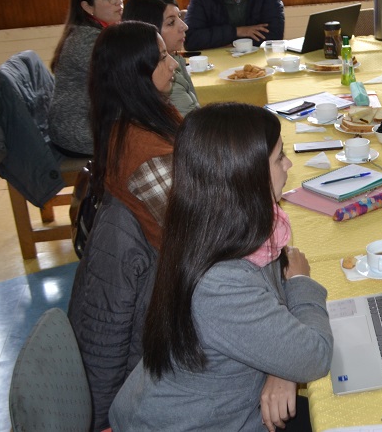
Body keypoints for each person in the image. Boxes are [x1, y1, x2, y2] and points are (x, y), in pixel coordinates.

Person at [110, 103, 334, 432]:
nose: (288, 165)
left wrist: (280, 365)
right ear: (247, 177)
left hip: (223, 399)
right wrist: (301, 282)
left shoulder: (215, 226)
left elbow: (268, 308)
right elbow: (315, 356)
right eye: (279, 158)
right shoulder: (221, 283)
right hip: (194, 423)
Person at [68, 21, 181, 430]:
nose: (174, 63)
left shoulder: (133, 120)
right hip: (173, 305)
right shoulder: (144, 154)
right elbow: (203, 236)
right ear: (136, 74)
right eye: (162, 57)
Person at [48, 0, 125, 157]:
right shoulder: (86, 41)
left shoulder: (102, 32)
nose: (118, 0)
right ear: (88, 7)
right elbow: (125, 79)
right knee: (151, 140)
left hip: (95, 120)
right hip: (79, 131)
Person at [123, 0, 200, 116]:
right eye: (171, 23)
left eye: (179, 17)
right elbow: (191, 128)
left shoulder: (174, 58)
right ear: (149, 30)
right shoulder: (159, 77)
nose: (184, 26)